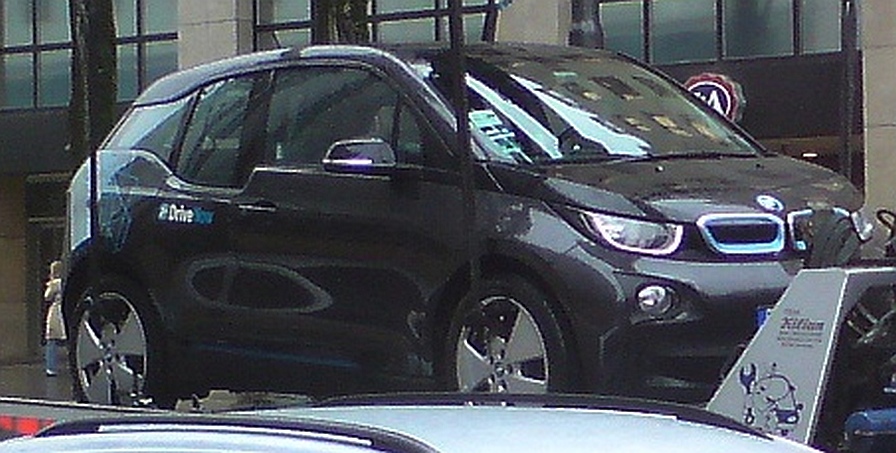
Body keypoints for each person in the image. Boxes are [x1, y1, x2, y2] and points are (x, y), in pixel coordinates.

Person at [43, 260, 66, 376]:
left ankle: (51, 368)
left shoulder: (55, 284)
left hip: (56, 313)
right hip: (65, 311)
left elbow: (47, 296)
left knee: (51, 341)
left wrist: (49, 284)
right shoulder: (66, 282)